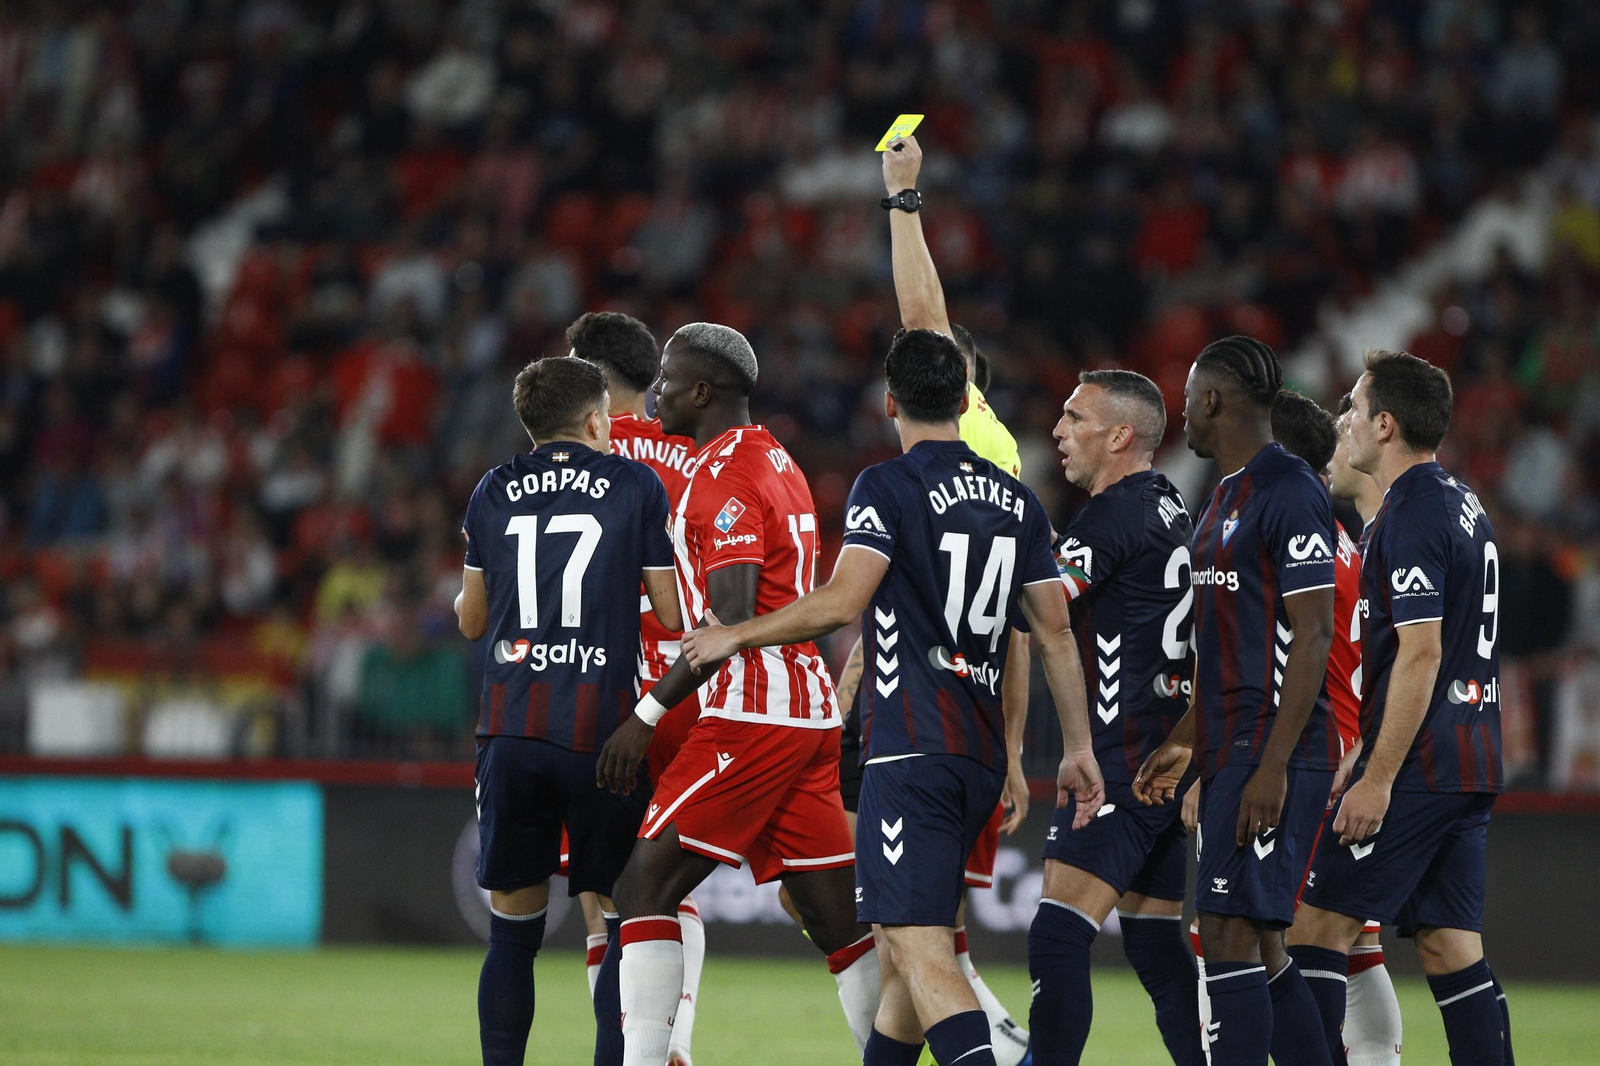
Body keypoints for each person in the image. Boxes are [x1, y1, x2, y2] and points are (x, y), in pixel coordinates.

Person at [681, 327, 1104, 1066]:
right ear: (966, 400)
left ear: (889, 401)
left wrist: (737, 634)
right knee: (904, 957)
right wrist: (1074, 748)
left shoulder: (888, 484)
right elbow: (1054, 632)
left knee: (919, 953)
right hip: (975, 755)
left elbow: (843, 603)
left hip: (911, 748)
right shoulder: (1016, 499)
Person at [596, 322, 879, 1065]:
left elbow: (731, 618)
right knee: (840, 926)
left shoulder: (723, 475)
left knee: (641, 887)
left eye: (665, 381)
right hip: (808, 711)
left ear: (701, 391)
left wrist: (646, 713)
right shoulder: (774, 458)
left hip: (755, 713)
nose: (654, 392)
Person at [454, 355, 682, 1066]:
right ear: (594, 418)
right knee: (617, 921)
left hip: (512, 726)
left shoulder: (492, 489)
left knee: (512, 935)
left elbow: (470, 620)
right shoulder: (634, 483)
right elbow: (670, 611)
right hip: (601, 735)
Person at [1288, 352, 1513, 1066]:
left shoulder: (1410, 513)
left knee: (1314, 928)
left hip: (1422, 763)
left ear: (1385, 424)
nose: (1344, 422)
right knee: (1450, 948)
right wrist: (1369, 746)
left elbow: (1420, 654)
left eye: (1353, 408)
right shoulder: (1461, 503)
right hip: (1473, 752)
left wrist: (1379, 775)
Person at [867, 133, 1032, 1063]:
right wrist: (1012, 751)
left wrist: (903, 197)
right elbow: (1019, 628)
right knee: (905, 954)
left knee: (916, 946)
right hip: (965, 729)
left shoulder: (965, 441)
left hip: (927, 730)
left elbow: (923, 319)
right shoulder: (1000, 470)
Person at [1133, 336, 1338, 1066]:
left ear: (1213, 401)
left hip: (1276, 750)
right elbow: (1226, 649)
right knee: (1257, 941)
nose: (1182, 412)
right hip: (1232, 745)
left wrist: (1273, 768)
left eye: (1188, 397)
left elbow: (1313, 636)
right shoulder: (1223, 496)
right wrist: (1186, 740)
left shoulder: (1290, 488)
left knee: (1224, 931)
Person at [1026, 369, 1203, 1066]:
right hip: (1163, 757)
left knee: (1057, 934)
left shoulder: (1113, 515)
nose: (1058, 431)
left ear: (1120, 435)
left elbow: (1045, 606)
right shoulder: (1168, 508)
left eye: (1074, 418)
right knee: (1155, 943)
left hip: (1119, 761)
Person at [568, 311, 706, 1066]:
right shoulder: (693, 448)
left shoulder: (585, 454)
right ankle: (671, 1040)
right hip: (691, 683)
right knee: (667, 882)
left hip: (611, 692)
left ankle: (631, 1050)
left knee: (605, 900)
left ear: (586, 376)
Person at [1274, 389, 1404, 1066]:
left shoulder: (1301, 547)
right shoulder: (1352, 542)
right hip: (1357, 748)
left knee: (1303, 934)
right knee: (1357, 942)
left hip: (1328, 761)